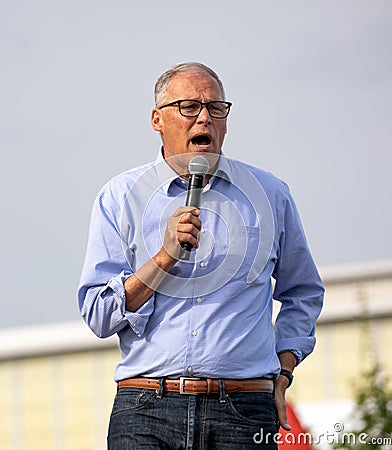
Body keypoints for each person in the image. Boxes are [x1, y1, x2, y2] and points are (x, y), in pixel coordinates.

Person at [78, 62, 324, 449]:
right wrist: (164, 257)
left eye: (216, 108)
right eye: (189, 107)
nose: (205, 118)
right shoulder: (120, 197)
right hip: (146, 409)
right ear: (157, 119)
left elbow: (303, 292)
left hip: (243, 411)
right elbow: (99, 313)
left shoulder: (270, 194)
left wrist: (284, 370)